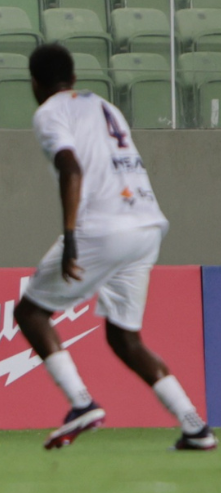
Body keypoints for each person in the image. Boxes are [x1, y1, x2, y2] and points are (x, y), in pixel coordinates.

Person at [13, 44, 213, 452]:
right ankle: (194, 425)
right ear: (72, 76)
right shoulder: (104, 106)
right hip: (146, 225)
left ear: (35, 83)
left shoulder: (50, 111)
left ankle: (81, 403)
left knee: (30, 312)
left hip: (103, 227)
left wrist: (70, 238)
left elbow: (71, 167)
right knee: (125, 339)